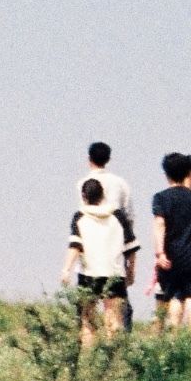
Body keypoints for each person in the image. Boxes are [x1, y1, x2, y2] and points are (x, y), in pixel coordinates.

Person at [61, 177, 138, 349]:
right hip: (114, 273)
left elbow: (75, 246)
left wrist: (66, 269)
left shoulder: (80, 216)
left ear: (83, 196)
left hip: (89, 274)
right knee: (114, 321)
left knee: (87, 321)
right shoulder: (118, 216)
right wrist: (131, 272)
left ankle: (89, 358)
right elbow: (131, 249)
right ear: (103, 195)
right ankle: (112, 358)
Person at [151, 152, 191, 329]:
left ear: (166, 174)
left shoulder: (161, 198)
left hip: (170, 258)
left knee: (174, 298)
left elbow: (160, 224)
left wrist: (160, 253)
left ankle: (175, 337)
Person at [79, 141, 134, 330]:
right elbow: (129, 217)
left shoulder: (82, 183)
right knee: (116, 308)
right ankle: (117, 342)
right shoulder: (120, 184)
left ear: (89, 159)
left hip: (90, 252)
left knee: (87, 312)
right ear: (108, 159)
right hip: (115, 248)